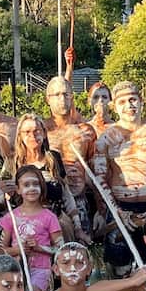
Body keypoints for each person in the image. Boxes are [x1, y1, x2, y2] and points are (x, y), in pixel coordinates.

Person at [92, 82, 146, 276]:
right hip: (120, 209)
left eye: (133, 100)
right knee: (121, 267)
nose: (129, 105)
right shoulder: (105, 139)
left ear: (141, 102)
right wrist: (118, 211)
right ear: (115, 106)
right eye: (122, 102)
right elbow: (100, 179)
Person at [1, 112, 85, 243]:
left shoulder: (54, 159)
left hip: (57, 224)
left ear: (44, 133)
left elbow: (66, 195)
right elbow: (2, 198)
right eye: (27, 132)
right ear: (20, 136)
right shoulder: (11, 163)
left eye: (37, 131)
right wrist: (6, 193)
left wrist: (78, 227)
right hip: (24, 228)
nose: (32, 135)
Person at [44, 74, 99, 241]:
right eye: (57, 94)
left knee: (81, 255)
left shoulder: (85, 131)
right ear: (48, 99)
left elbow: (95, 173)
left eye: (66, 94)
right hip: (49, 202)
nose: (62, 99)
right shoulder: (39, 130)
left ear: (72, 97)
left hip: (80, 200)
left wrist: (101, 211)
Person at [0, 166, 64, 291]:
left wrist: (39, 248)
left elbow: (60, 248)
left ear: (41, 187)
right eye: (26, 184)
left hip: (41, 270)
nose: (31, 188)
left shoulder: (49, 217)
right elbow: (0, 249)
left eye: (36, 184)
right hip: (15, 270)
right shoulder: (11, 217)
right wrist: (17, 250)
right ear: (18, 190)